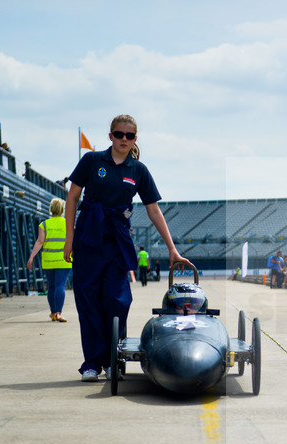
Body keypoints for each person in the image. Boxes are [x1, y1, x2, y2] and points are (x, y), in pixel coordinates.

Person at [64, 114, 192, 382]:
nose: (124, 139)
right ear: (110, 135)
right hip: (88, 234)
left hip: (118, 236)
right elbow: (73, 197)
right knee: (88, 300)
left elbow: (153, 210)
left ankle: (113, 359)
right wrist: (70, 237)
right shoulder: (91, 160)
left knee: (118, 299)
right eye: (119, 134)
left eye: (129, 136)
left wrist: (172, 248)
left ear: (135, 139)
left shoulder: (138, 170)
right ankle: (91, 363)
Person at [26, 198, 73, 322]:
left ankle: (53, 313)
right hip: (64, 260)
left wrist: (31, 256)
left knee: (51, 287)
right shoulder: (68, 223)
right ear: (63, 210)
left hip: (48, 261)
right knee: (60, 286)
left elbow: (40, 241)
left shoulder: (44, 224)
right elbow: (73, 241)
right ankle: (59, 313)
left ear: (51, 210)